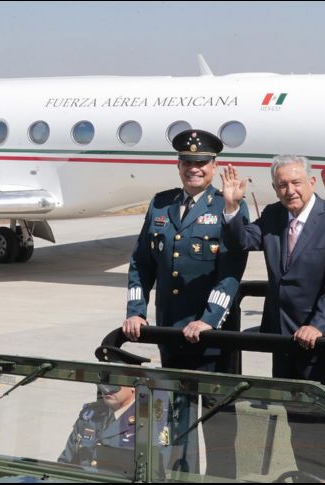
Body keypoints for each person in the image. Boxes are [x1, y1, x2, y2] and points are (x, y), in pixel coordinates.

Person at [221, 155, 325, 479]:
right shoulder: (273, 215)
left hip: (324, 343)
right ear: (274, 188)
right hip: (283, 340)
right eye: (282, 184)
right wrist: (231, 208)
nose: (289, 190)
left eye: (296, 182)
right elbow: (243, 240)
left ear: (312, 182)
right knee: (295, 421)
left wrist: (318, 326)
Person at [122, 128, 248, 476]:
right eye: (187, 162)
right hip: (170, 331)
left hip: (211, 337)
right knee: (177, 418)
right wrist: (136, 311)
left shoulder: (227, 204)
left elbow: (231, 271)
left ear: (213, 165)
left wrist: (210, 319)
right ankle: (181, 476)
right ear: (178, 165)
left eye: (201, 163)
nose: (194, 168)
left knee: (218, 418)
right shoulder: (161, 203)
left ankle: (224, 479)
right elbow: (140, 263)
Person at [59, 346, 138, 471]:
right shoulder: (90, 416)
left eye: (115, 380)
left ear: (134, 384)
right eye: (104, 379)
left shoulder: (145, 423)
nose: (107, 388)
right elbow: (64, 464)